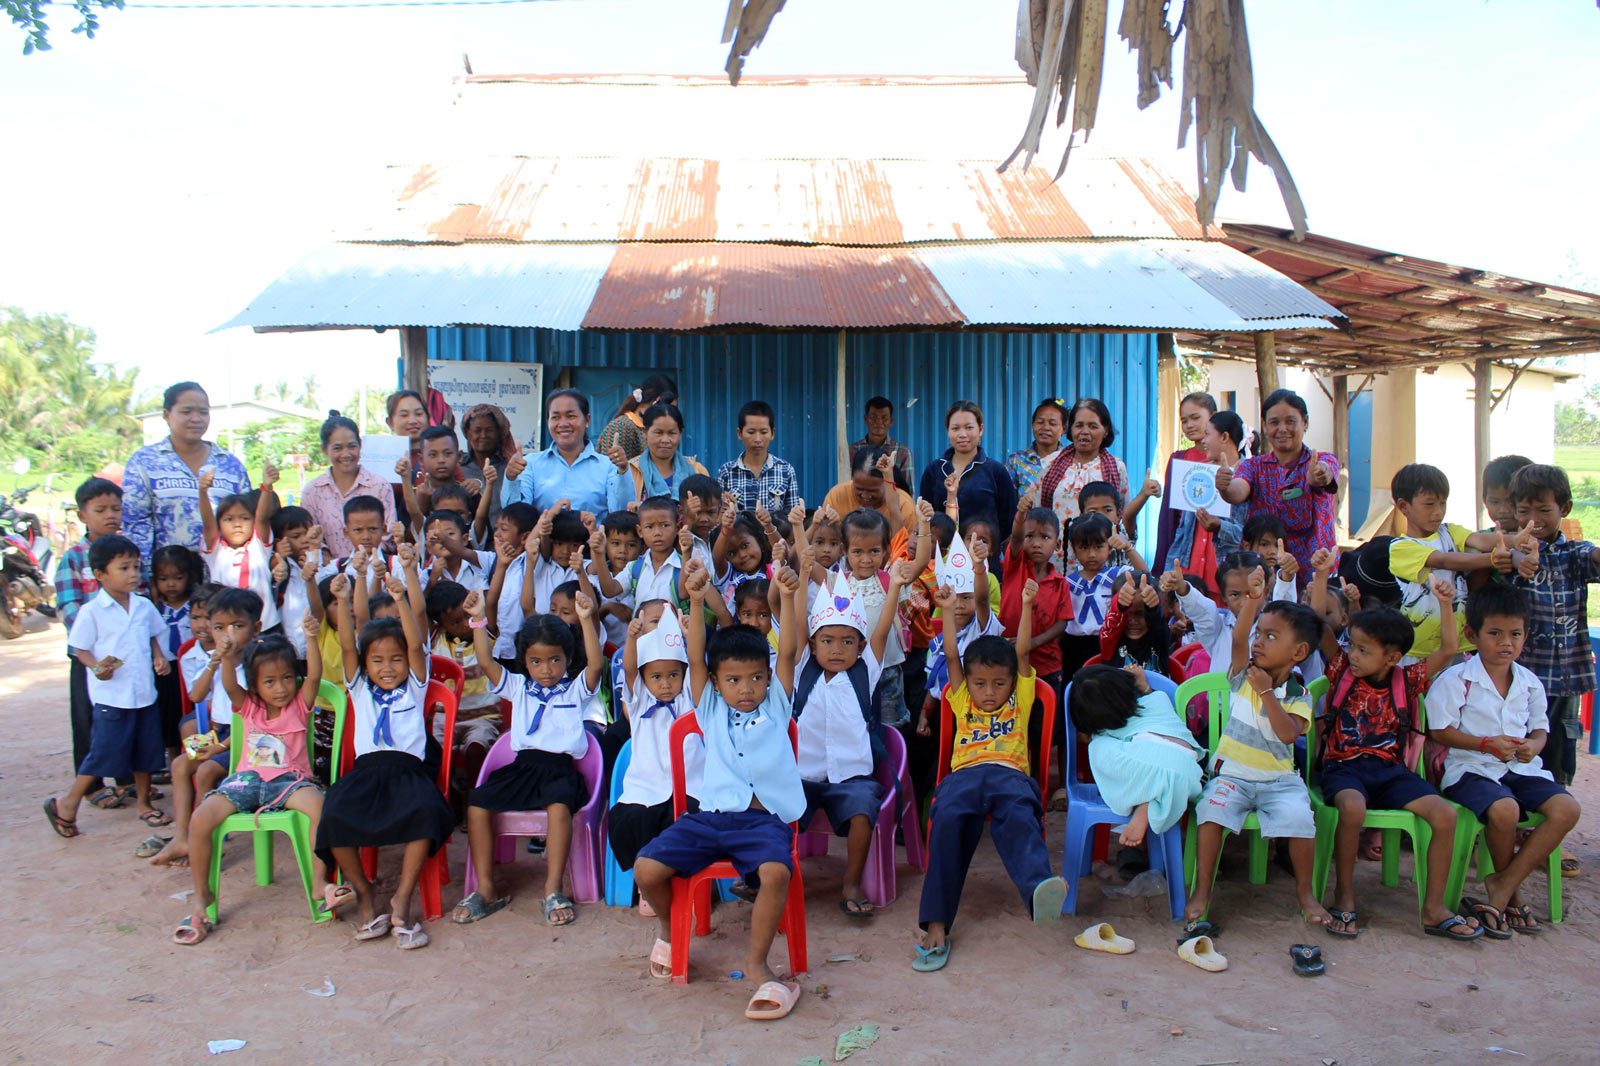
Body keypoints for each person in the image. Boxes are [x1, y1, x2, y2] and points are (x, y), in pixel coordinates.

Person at [633, 559, 808, 1022]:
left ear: (766, 679)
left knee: (775, 873)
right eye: (733, 680)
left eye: (754, 678)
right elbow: (694, 658)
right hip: (710, 819)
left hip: (762, 820)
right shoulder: (709, 708)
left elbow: (787, 652)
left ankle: (757, 965)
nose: (746, 688)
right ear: (715, 683)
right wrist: (693, 597)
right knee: (646, 869)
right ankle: (673, 934)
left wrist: (787, 598)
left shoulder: (775, 703)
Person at [1306, 568, 1480, 941]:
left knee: (1445, 814)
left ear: (1392, 657)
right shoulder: (1340, 669)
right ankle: (1345, 894)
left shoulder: (1408, 679)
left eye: (1363, 650)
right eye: (1352, 645)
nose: (1352, 654)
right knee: (1351, 808)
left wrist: (1446, 604)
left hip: (1390, 771)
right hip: (1344, 767)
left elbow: (1449, 649)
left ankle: (1433, 908)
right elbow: (1319, 621)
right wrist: (1321, 576)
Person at [914, 577, 1067, 972]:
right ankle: (936, 923)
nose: (988, 692)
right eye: (980, 683)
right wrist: (947, 610)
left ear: (1012, 683)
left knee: (1019, 814)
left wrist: (1028, 607)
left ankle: (1038, 892)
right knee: (946, 819)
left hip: (1008, 774)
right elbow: (951, 655)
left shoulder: (1020, 697)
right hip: (964, 775)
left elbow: (1020, 655)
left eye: (998, 684)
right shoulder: (961, 696)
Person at [1182, 568, 1332, 935]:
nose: (1259, 642)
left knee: (1301, 820)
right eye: (1259, 634)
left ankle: (1305, 894)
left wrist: (1268, 693)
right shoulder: (1243, 674)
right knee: (1211, 813)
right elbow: (1236, 639)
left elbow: (1285, 734)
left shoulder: (1299, 693)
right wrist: (1252, 601)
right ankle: (1202, 891)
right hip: (1232, 775)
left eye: (1270, 636)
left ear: (1298, 652)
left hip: (1279, 780)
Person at [316, 565, 455, 951]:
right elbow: (348, 646)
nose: (388, 667)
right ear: (366, 666)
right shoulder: (359, 687)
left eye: (394, 660)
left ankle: (402, 899)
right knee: (333, 815)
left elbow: (415, 645)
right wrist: (342, 601)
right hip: (368, 772)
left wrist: (399, 601)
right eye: (377, 661)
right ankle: (364, 895)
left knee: (427, 813)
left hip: (408, 771)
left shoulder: (415, 685)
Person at [1430, 582, 1582, 935]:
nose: (1506, 643)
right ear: (1473, 634)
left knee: (1567, 810)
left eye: (1515, 634)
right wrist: (1485, 745)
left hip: (1518, 766)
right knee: (1505, 810)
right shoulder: (1457, 679)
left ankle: (1504, 884)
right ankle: (1509, 898)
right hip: (1470, 767)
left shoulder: (1529, 682)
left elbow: (1541, 730)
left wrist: (1535, 746)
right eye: (1494, 633)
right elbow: (1440, 731)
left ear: (1526, 635)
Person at [171, 620, 330, 945]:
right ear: (255, 685)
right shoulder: (248, 707)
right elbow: (230, 684)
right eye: (270, 681)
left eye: (287, 678)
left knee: (319, 807)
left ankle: (319, 883)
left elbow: (313, 675)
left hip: (289, 782)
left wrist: (312, 639)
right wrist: (227, 656)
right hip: (244, 781)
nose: (281, 688)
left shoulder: (300, 705)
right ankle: (203, 898)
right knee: (201, 818)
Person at [453, 589, 603, 928]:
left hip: (560, 771)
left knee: (559, 805)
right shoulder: (519, 687)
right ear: (525, 661)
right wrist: (478, 620)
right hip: (523, 767)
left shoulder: (575, 688)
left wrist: (584, 619)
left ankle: (553, 889)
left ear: (567, 658)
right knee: (477, 803)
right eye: (536, 661)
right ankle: (486, 888)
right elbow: (487, 662)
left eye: (554, 660)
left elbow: (595, 664)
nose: (546, 669)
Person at [794, 555, 913, 917]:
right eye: (827, 640)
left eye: (847, 642)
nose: (836, 649)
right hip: (804, 775)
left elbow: (880, 630)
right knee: (771, 809)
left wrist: (894, 585)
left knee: (863, 814)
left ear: (860, 647)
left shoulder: (867, 671)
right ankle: (766, 878)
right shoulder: (801, 668)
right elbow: (799, 625)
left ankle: (851, 881)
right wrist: (800, 578)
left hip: (852, 776)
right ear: (813, 644)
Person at [43, 534, 173, 838]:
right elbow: (80, 648)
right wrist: (96, 667)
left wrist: (158, 657)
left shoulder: (143, 607)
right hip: (112, 696)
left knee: (146, 752)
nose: (133, 574)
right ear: (101, 575)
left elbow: (155, 634)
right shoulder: (92, 612)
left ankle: (143, 803)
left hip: (143, 693)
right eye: (124, 568)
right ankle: (67, 803)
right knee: (104, 752)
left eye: (136, 567)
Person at [1505, 463, 1599, 799]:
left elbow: (1593, 556)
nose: (1534, 518)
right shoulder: (1507, 551)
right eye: (1524, 510)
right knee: (1519, 745)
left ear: (1565, 508)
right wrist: (1517, 561)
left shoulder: (1573, 552)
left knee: (1559, 746)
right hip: (1521, 676)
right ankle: (1516, 817)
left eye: (1544, 509)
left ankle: (1551, 821)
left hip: (1565, 675)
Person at [149, 586, 258, 868]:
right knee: (180, 765)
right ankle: (182, 837)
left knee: (207, 770)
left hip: (247, 738)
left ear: (255, 628)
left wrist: (218, 748)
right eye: (220, 627)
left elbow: (252, 722)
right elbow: (196, 696)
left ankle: (206, 841)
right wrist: (213, 663)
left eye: (237, 626)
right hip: (220, 733)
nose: (228, 635)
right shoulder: (216, 662)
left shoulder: (257, 665)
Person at [604, 609, 705, 912]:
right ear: (646, 679)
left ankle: (688, 884)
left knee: (689, 823)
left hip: (691, 788)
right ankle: (648, 886)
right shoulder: (638, 703)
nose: (665, 684)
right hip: (645, 789)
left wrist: (690, 638)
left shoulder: (691, 699)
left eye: (673, 675)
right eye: (657, 677)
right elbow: (630, 670)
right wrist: (632, 639)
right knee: (634, 820)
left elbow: (698, 662)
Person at [122, 382, 252, 579]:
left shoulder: (230, 465)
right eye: (186, 411)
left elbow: (249, 521)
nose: (196, 419)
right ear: (167, 415)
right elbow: (137, 528)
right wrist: (147, 583)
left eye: (203, 412)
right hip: (171, 587)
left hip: (226, 583)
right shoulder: (144, 462)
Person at [1387, 463, 1511, 663]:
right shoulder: (1401, 547)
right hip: (1419, 649)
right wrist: (1491, 559)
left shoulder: (1449, 530)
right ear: (1404, 506)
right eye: (1429, 504)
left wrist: (1516, 540)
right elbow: (1446, 561)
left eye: (1443, 503)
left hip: (1459, 642)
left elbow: (1480, 539)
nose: (1438, 512)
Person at [1215, 389, 1340, 586]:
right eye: (1274, 422)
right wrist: (1225, 487)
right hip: (1264, 573)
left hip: (1313, 572)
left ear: (1305, 423)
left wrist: (1319, 474)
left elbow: (1325, 473)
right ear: (1264, 426)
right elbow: (1237, 491)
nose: (1282, 429)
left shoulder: (1323, 460)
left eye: (1290, 421)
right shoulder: (1253, 466)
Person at [1071, 664, 1203, 849]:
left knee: (1097, 747)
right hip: (1190, 774)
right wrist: (1143, 685)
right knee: (1148, 755)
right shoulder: (1157, 700)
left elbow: (1090, 737)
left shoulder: (1108, 731)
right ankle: (1150, 801)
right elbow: (1154, 696)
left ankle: (1146, 799)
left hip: (1167, 774)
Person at [56, 477, 125, 792]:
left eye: (115, 508)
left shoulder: (127, 552)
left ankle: (128, 778)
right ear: (83, 515)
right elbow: (69, 606)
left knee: (127, 712)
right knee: (87, 718)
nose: (110, 515)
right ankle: (92, 785)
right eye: (100, 509)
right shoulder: (74, 557)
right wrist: (91, 645)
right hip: (88, 655)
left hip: (123, 654)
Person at [1165, 409, 1250, 595]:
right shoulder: (1197, 474)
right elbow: (1182, 530)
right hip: (1190, 571)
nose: (1203, 441)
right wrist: (1170, 569)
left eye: (1207, 434)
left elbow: (1247, 536)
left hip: (1226, 575)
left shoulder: (1249, 477)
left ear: (1225, 437)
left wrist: (1220, 526)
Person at [917, 401, 1016, 559]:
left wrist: (988, 545)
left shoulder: (996, 471)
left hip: (984, 560)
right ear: (948, 431)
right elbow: (926, 516)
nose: (962, 434)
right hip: (941, 560)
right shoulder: (934, 470)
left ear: (981, 429)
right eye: (955, 428)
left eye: (969, 427)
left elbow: (1008, 520)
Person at [299, 413, 397, 559]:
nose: (346, 454)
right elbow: (309, 537)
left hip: (374, 572)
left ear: (360, 445)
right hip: (329, 575)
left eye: (352, 446)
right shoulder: (312, 492)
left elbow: (389, 535)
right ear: (325, 449)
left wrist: (363, 563)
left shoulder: (380, 486)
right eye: (337, 448)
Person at [501, 389, 610, 519]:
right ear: (548, 421)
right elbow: (515, 516)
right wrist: (511, 478)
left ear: (587, 420)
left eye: (571, 416)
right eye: (555, 417)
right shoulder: (530, 464)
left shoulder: (608, 466)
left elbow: (620, 510)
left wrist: (623, 471)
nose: (563, 424)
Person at [199, 463, 280, 631]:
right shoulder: (216, 552)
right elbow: (208, 524)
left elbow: (262, 517)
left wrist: (267, 487)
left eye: (244, 518)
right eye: (229, 519)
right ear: (219, 525)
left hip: (265, 627)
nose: (237, 524)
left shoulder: (258, 547)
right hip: (227, 630)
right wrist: (202, 492)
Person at [149, 543, 205, 760]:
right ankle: (174, 759)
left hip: (192, 667)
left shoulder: (196, 607)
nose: (170, 584)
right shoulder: (154, 607)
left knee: (190, 713)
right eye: (163, 579)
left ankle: (195, 756)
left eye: (177, 577)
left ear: (189, 577)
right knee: (167, 714)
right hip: (165, 669)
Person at [1152, 392, 1217, 574]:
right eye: (1184, 421)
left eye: (1195, 418)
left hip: (1217, 553)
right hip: (1185, 554)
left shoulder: (1226, 459)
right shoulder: (1178, 459)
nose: (1189, 425)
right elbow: (1168, 517)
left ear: (1213, 416)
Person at [605, 402, 709, 514]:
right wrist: (623, 470)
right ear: (645, 433)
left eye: (672, 433)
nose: (665, 439)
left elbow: (710, 514)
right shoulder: (631, 470)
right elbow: (617, 511)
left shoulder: (697, 470)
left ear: (680, 433)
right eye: (658, 433)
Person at [823, 448, 918, 549]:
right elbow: (824, 541)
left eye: (873, 490)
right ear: (852, 479)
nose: (865, 495)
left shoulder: (904, 506)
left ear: (886, 483)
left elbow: (907, 551)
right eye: (859, 488)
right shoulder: (836, 496)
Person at [717, 400, 799, 514]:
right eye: (751, 432)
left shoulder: (786, 470)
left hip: (776, 532)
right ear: (739, 433)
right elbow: (718, 517)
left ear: (772, 433)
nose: (757, 439)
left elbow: (793, 518)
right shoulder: (726, 471)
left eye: (764, 432)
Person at [459, 402, 518, 531]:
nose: (483, 436)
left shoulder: (510, 468)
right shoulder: (459, 468)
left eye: (489, 430)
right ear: (468, 434)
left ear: (499, 434)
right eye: (477, 430)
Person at [597, 374, 678, 463]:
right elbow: (611, 471)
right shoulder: (621, 427)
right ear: (656, 402)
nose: (670, 415)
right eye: (669, 409)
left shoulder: (647, 428)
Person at [1004, 399, 1068, 503]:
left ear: (1063, 429)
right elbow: (1006, 500)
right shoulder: (1016, 460)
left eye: (1052, 423)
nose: (1046, 427)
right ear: (1033, 425)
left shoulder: (1070, 460)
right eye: (1040, 422)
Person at [851, 395, 913, 494]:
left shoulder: (902, 452)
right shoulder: (853, 450)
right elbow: (847, 485)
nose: (879, 422)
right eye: (873, 417)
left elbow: (908, 492)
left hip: (891, 507)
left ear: (891, 421)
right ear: (865, 419)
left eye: (884, 418)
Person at [1480, 454, 1532, 535]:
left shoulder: (1546, 544)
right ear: (1484, 500)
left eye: (1511, 502)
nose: (1503, 510)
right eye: (1494, 502)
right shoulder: (1477, 541)